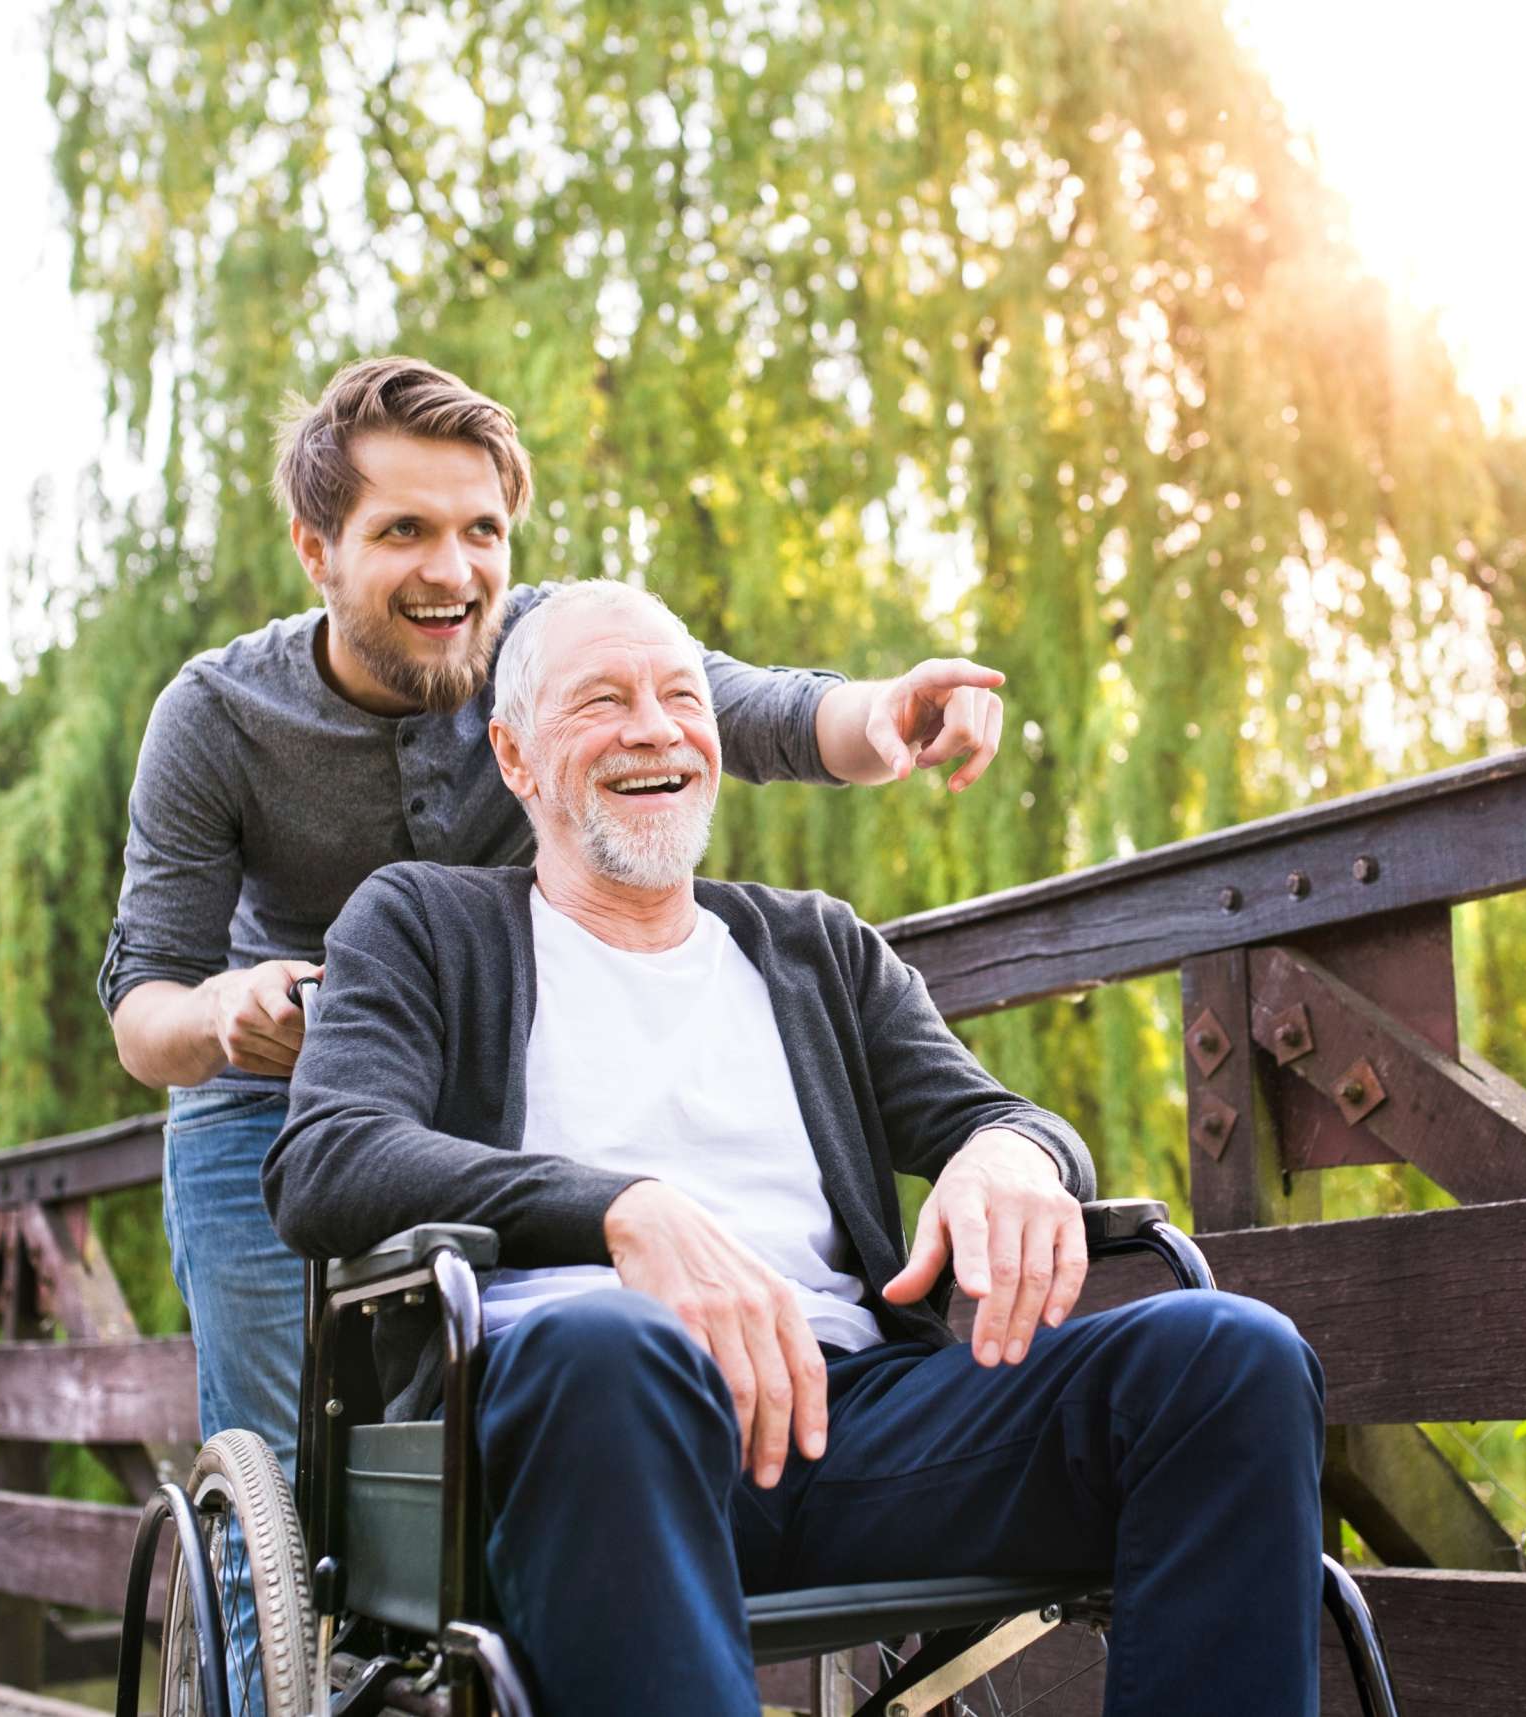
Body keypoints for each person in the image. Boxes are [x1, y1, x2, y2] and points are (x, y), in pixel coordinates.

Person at [262, 580, 1327, 1716]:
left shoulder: (813, 946)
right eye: (602, 701)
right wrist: (624, 1211)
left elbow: (998, 1115)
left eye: (681, 696)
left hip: (852, 1418)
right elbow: (328, 1157)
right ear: (518, 761)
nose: (655, 727)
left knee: (1227, 1357)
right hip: (576, 1420)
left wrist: (1012, 1153)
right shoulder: (424, 922)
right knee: (609, 1344)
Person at [98, 355, 1014, 1483]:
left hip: (484, 1077)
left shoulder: (547, 657)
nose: (452, 571)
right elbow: (143, 1013)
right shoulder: (217, 716)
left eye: (482, 530)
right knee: (287, 1479)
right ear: (314, 549)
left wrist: (891, 713)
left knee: (501, 1420)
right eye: (403, 532)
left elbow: (757, 710)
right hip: (268, 1104)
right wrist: (223, 1014)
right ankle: (289, 1647)